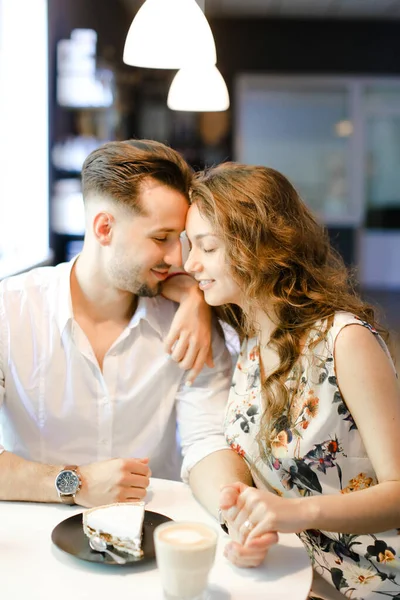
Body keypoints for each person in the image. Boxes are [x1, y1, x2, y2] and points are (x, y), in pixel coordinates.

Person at [184, 162, 400, 600]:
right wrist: (255, 531)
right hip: (290, 575)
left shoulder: (345, 341)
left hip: (368, 582)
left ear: (257, 247)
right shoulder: (249, 338)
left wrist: (291, 513)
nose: (190, 264)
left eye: (206, 247)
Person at [0, 140, 250, 510]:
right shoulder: (12, 311)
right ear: (104, 228)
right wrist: (74, 483)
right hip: (33, 540)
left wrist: (233, 508)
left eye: (177, 239)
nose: (177, 257)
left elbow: (206, 439)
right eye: (161, 238)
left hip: (149, 536)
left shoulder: (188, 323)